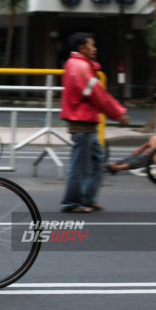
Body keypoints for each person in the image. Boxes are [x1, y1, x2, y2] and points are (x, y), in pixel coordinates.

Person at [60, 32, 129, 213]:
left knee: (97, 160)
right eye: (92, 45)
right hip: (82, 123)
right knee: (80, 165)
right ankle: (72, 202)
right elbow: (99, 96)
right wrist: (119, 113)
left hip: (87, 122)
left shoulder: (79, 66)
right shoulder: (80, 68)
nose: (95, 48)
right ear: (82, 48)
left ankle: (87, 199)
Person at [105, 90, 156, 174]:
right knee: (136, 153)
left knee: (145, 156)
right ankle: (116, 164)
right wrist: (142, 147)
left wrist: (152, 148)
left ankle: (120, 167)